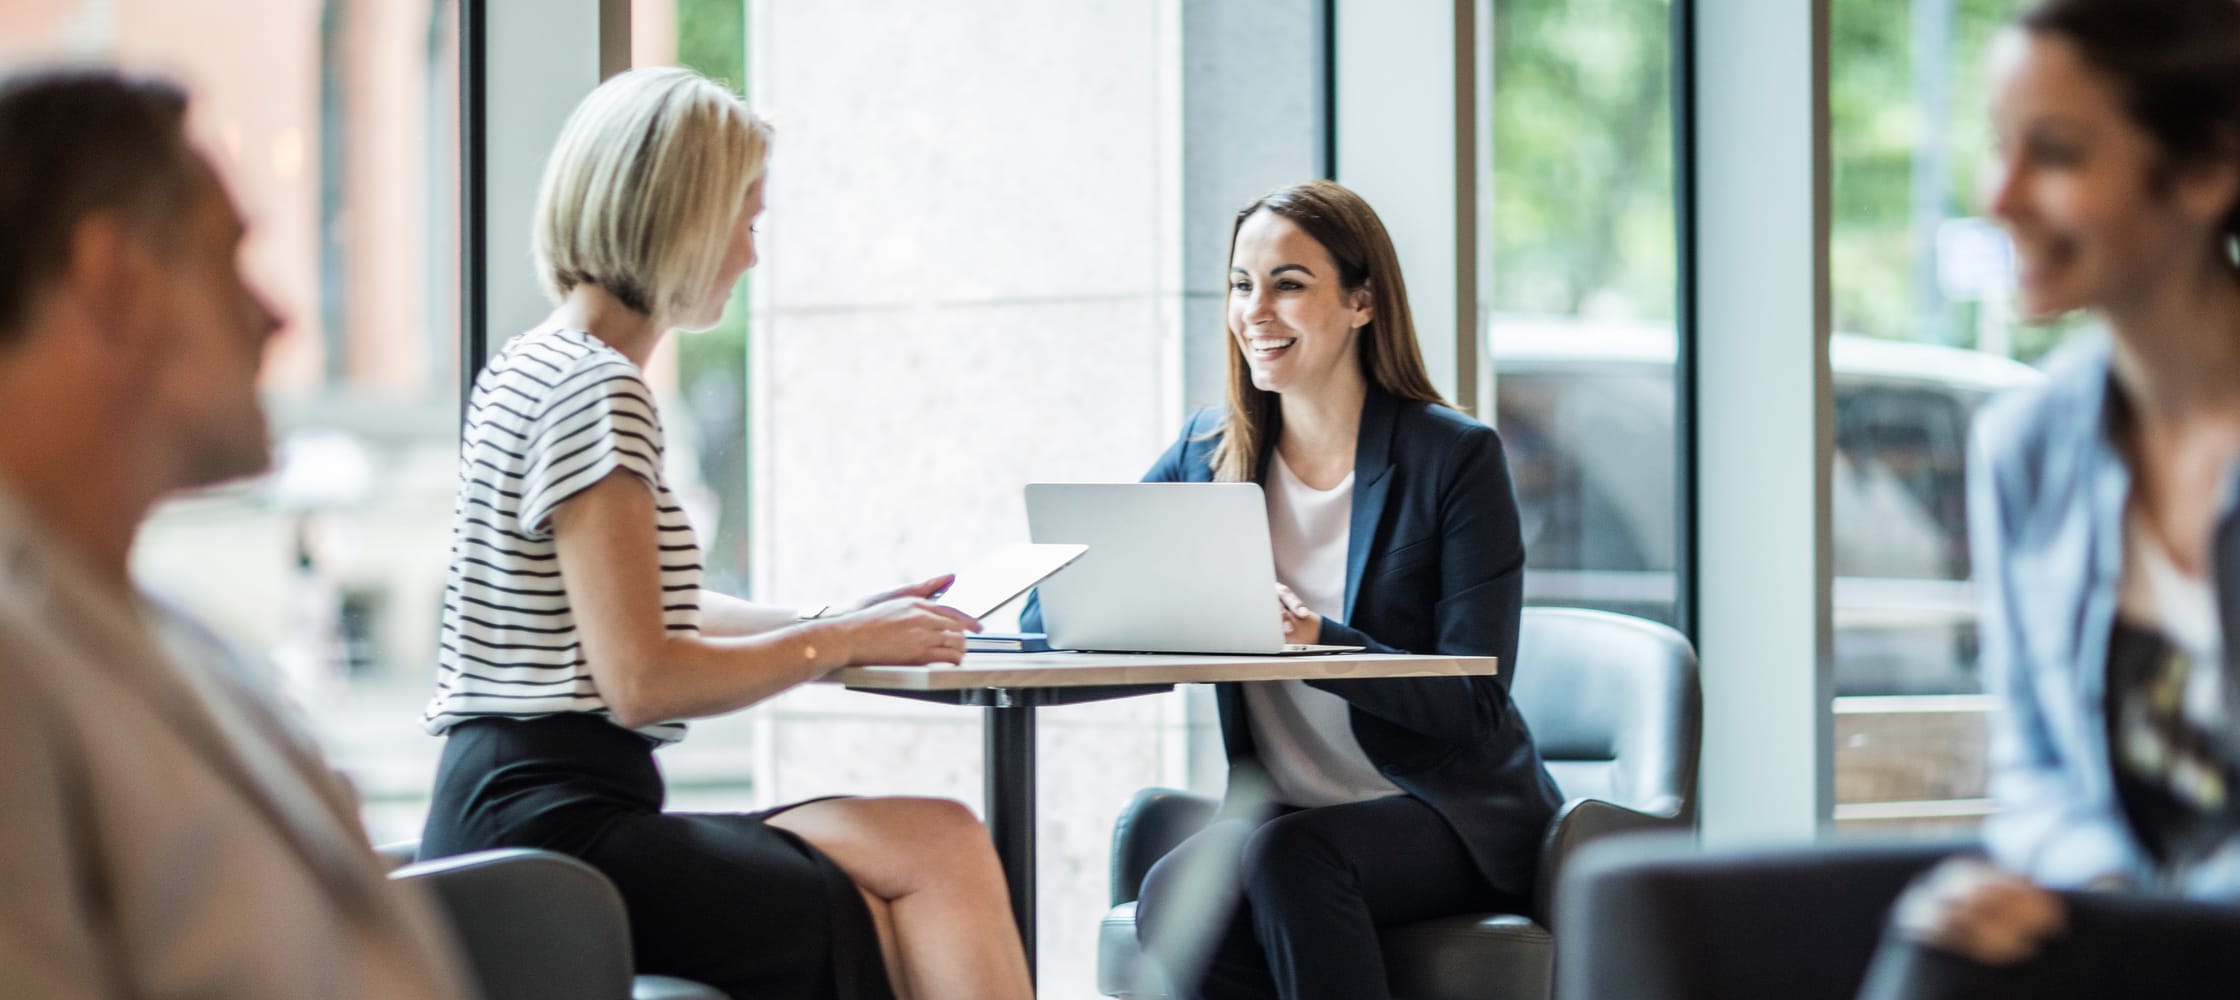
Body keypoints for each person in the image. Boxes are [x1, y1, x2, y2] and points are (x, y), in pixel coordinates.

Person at [415, 67, 1029, 1000]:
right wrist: (841, 644)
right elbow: (643, 679)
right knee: (911, 884)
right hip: (561, 837)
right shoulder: (599, 394)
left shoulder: (535, 365)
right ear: (682, 220)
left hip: (511, 812)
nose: (751, 255)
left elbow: (642, 605)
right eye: (747, 220)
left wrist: (830, 616)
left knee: (940, 840)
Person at [1860, 1, 2240, 996]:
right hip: (2129, 933)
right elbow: (2034, 771)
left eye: (2058, 155)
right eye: (2001, 148)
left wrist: (2162, 919)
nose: (2000, 195)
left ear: (2208, 172)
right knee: (1939, 930)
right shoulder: (2024, 449)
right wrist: (2104, 891)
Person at [0, 67, 474, 998]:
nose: (276, 316)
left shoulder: (167, 634)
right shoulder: (19, 668)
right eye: (228, 257)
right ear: (116, 279)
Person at [1029, 180, 1565, 1000]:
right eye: (1243, 285)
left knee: (1290, 858)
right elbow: (1057, 606)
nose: (1256, 311)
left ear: (1361, 302)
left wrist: (1322, 641)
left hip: (1444, 810)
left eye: (1289, 284)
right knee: (1180, 889)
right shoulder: (1209, 452)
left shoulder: (1454, 459)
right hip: (1287, 809)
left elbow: (1472, 701)